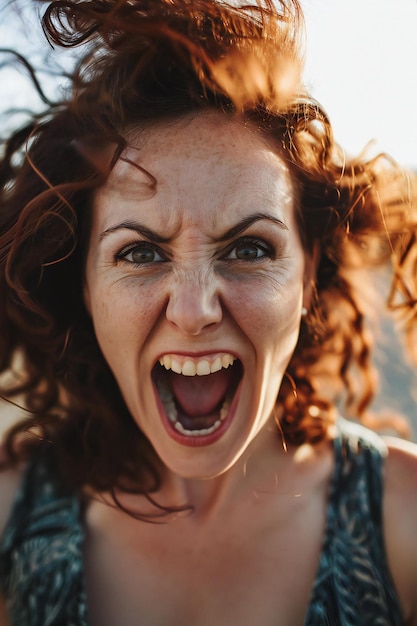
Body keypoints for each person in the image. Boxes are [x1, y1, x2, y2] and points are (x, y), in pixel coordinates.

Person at [0, 0, 417, 624]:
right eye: (140, 252)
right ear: (84, 286)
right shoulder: (10, 515)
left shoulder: (404, 519)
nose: (194, 311)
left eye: (249, 248)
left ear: (308, 276)